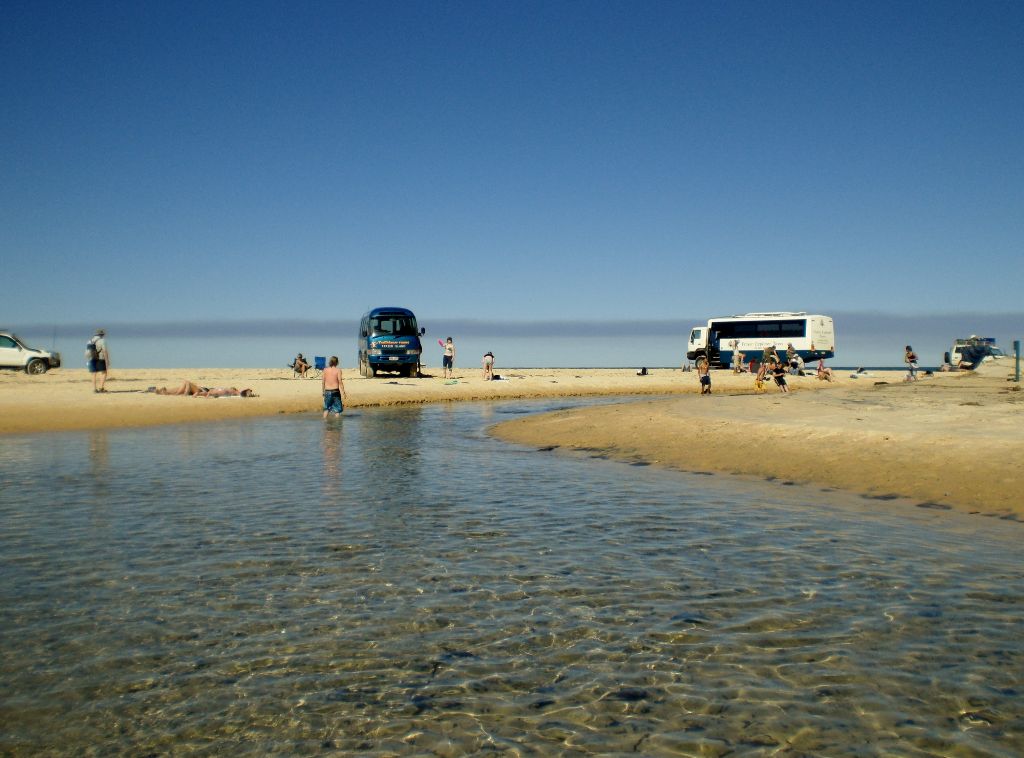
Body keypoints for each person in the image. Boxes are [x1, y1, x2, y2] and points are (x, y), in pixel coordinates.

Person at [153, 381, 255, 397]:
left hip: (203, 390)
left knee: (187, 383)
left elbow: (214, 393)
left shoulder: (231, 391)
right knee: (184, 385)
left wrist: (204, 394)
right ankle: (165, 392)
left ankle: (168, 393)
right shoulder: (231, 391)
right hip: (203, 390)